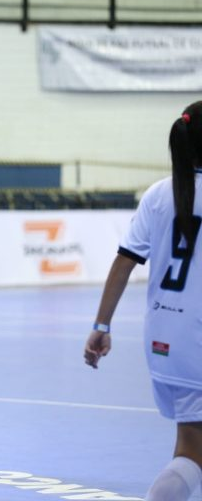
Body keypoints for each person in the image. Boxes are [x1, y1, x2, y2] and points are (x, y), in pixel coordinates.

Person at [84, 102, 202, 501]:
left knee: (189, 449)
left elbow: (124, 262)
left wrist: (101, 327)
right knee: (192, 454)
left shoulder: (158, 194)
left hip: (165, 343)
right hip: (199, 343)